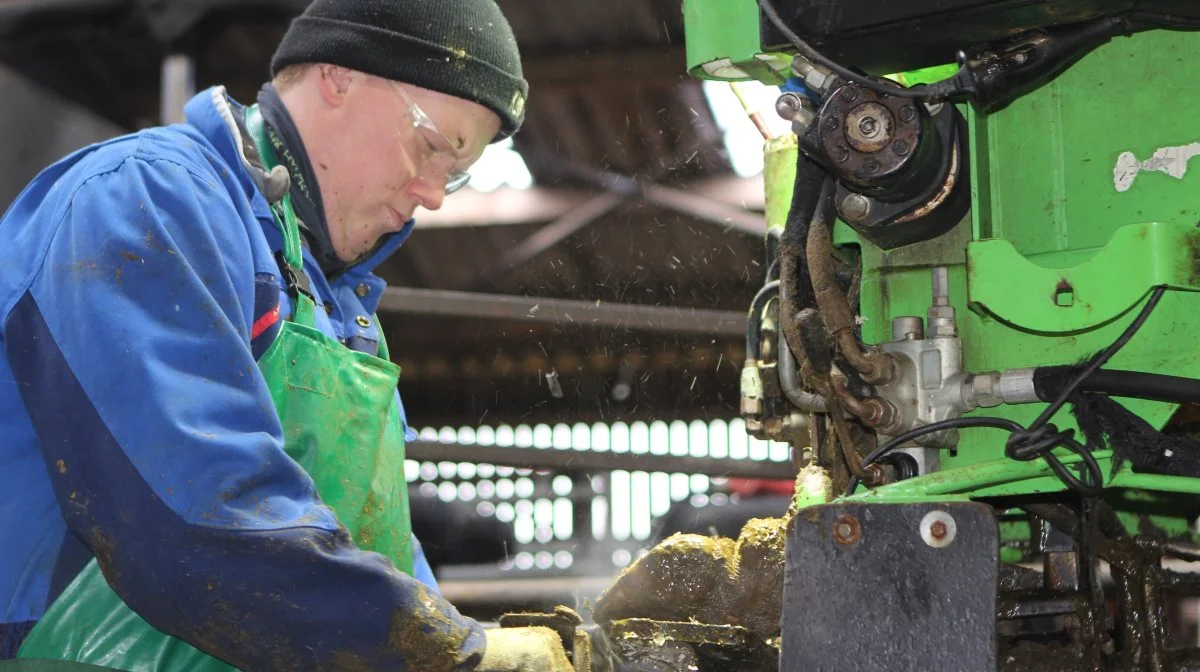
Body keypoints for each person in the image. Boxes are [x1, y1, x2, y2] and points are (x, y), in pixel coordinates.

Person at [0, 0, 573, 670]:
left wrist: (450, 637)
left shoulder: (340, 314)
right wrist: (454, 654)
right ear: (338, 76)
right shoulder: (148, 199)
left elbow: (375, 551)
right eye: (431, 147)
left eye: (456, 172)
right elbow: (196, 517)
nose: (434, 195)